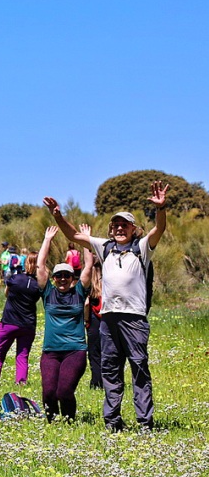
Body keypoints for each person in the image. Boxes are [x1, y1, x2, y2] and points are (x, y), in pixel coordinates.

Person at [46, 181, 167, 431]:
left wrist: (161, 208)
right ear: (111, 230)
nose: (120, 228)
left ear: (134, 229)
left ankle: (145, 422)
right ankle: (113, 422)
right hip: (108, 319)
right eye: (116, 225)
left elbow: (159, 229)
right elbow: (74, 235)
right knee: (110, 371)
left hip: (134, 319)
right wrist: (58, 216)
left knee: (139, 369)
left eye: (125, 225)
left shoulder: (142, 248)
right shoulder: (106, 247)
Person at [36, 225, 93, 422]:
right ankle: (52, 422)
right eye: (58, 276)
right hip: (51, 351)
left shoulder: (78, 292)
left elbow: (88, 266)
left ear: (72, 278)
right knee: (49, 392)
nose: (62, 279)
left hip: (74, 350)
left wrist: (86, 240)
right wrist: (47, 240)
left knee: (64, 391)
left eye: (66, 276)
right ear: (53, 279)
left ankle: (69, 421)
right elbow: (40, 266)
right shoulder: (48, 293)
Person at [0, 250, 41, 385]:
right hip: (28, 324)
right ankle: (21, 381)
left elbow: (6, 293)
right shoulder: (38, 285)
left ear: (25, 262)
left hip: (9, 322)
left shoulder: (15, 279)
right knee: (22, 356)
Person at [85, 246, 104, 390]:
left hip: (93, 322)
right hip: (108, 321)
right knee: (107, 353)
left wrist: (86, 320)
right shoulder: (108, 282)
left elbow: (86, 304)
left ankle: (96, 382)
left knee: (94, 354)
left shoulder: (90, 286)